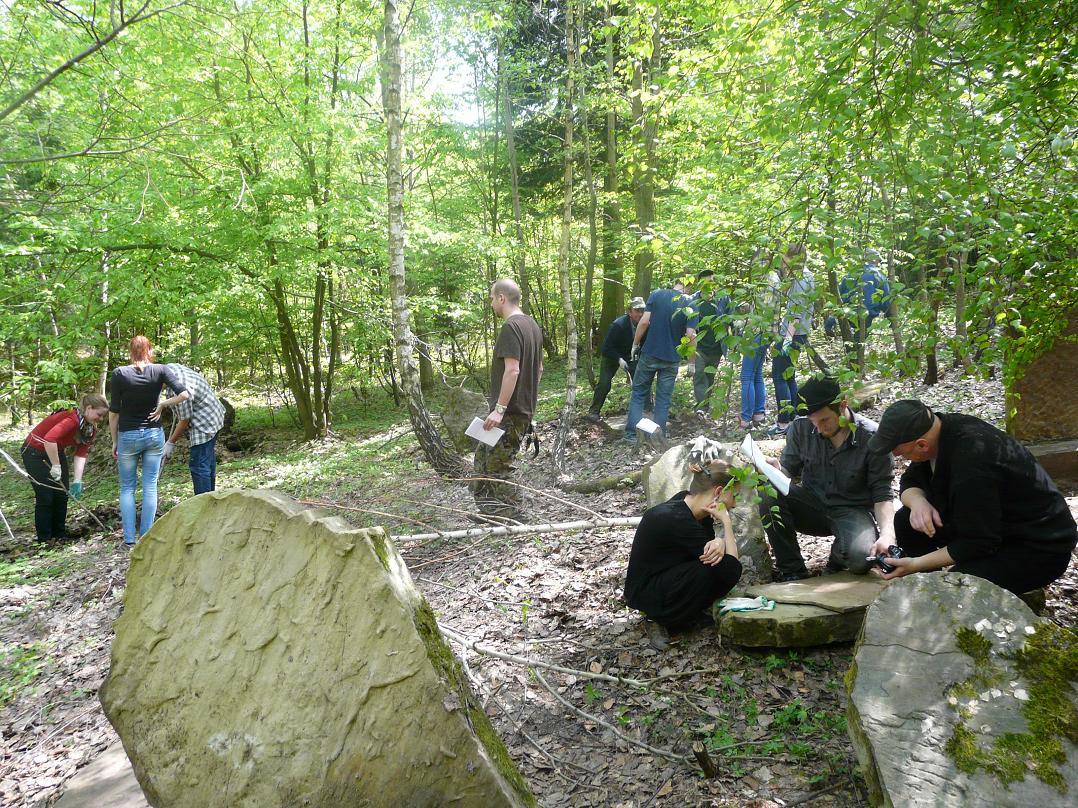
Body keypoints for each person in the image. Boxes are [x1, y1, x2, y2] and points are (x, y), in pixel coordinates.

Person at [868, 400, 1077, 594]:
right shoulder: (941, 429)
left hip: (1037, 548)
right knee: (906, 519)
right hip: (991, 526)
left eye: (902, 454)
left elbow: (978, 542)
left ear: (922, 445)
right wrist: (918, 502)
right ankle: (927, 586)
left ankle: (935, 591)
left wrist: (916, 564)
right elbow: (910, 480)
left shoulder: (972, 463)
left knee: (953, 588)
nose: (902, 458)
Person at [759, 376, 895, 582]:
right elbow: (787, 470)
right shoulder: (801, 428)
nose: (819, 428)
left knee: (862, 559)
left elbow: (883, 494)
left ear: (842, 406)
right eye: (813, 422)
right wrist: (774, 470)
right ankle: (793, 571)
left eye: (824, 420)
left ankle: (838, 560)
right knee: (767, 492)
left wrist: (887, 535)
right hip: (811, 504)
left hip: (852, 511)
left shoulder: (872, 437)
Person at [624, 438, 743, 650]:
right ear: (718, 492)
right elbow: (732, 571)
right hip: (647, 593)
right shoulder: (678, 520)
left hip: (664, 579)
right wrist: (726, 523)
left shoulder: (688, 505)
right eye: (733, 496)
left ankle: (686, 613)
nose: (734, 504)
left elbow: (712, 552)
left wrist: (719, 541)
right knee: (712, 569)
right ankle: (658, 618)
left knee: (713, 564)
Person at [473, 279, 544, 520]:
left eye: (492, 298)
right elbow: (539, 369)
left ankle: (518, 516)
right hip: (519, 410)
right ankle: (489, 511)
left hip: (509, 413)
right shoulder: (532, 326)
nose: (492, 303)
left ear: (501, 298)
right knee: (482, 460)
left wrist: (500, 409)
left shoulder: (511, 328)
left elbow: (513, 370)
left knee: (499, 466)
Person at [109, 336, 189, 546]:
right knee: (150, 486)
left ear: (130, 351)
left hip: (128, 435)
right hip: (154, 434)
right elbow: (184, 394)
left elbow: (114, 411)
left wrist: (114, 440)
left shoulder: (119, 373)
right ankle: (145, 537)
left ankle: (129, 539)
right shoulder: (160, 370)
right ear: (149, 350)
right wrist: (163, 404)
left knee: (127, 488)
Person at [20, 394, 109, 542]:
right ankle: (45, 539)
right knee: (46, 496)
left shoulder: (89, 429)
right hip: (34, 451)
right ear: (89, 408)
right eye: (99, 415)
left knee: (62, 495)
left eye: (102, 416)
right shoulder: (72, 419)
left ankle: (59, 535)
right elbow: (49, 440)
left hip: (55, 450)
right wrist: (56, 466)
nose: (100, 419)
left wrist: (77, 480)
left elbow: (81, 453)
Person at [624, 277, 698, 444]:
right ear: (689, 287)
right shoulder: (691, 304)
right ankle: (658, 436)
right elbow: (691, 335)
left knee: (638, 393)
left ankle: (631, 435)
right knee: (663, 400)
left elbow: (644, 322)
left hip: (650, 353)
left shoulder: (657, 294)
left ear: (675, 283)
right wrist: (691, 363)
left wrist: (635, 344)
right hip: (672, 358)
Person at [769, 244, 815, 436]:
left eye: (786, 257)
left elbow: (795, 314)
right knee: (789, 375)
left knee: (779, 376)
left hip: (792, 333)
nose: (783, 261)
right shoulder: (807, 276)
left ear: (793, 257)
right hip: (798, 333)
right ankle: (795, 417)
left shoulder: (801, 279)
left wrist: (786, 341)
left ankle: (784, 422)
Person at [162, 363, 226, 494]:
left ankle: (203, 501)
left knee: (199, 465)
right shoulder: (169, 369)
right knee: (207, 461)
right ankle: (211, 497)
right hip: (214, 413)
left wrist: (170, 442)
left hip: (205, 422)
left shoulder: (178, 390)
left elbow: (185, 420)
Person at [587, 297, 649, 421]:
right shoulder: (618, 325)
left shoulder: (645, 324)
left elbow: (645, 344)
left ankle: (647, 409)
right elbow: (606, 348)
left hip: (631, 356)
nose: (640, 314)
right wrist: (619, 359)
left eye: (642, 310)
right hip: (612, 356)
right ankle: (593, 412)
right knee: (604, 383)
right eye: (637, 311)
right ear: (630, 312)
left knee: (642, 381)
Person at [692, 269, 731, 416]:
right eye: (707, 282)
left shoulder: (723, 299)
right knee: (699, 374)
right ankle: (701, 407)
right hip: (699, 347)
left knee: (710, 377)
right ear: (700, 284)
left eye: (713, 281)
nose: (711, 284)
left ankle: (706, 406)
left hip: (716, 347)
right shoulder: (693, 300)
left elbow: (731, 317)